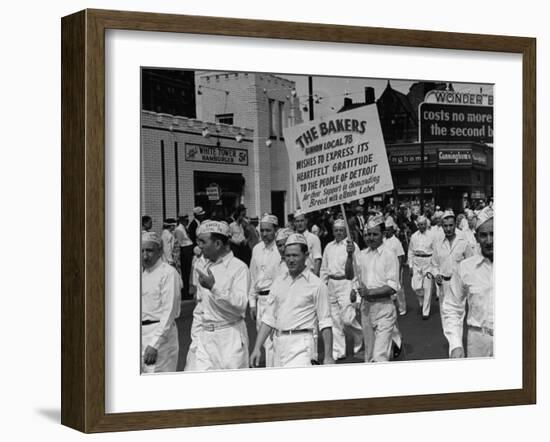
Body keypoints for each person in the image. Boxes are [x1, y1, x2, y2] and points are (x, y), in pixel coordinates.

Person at [250, 233, 334, 368]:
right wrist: (257, 348)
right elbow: (268, 318)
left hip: (303, 345)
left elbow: (325, 322)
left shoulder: (317, 285)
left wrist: (328, 356)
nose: (291, 260)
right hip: (279, 344)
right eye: (288, 256)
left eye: (295, 255)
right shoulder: (278, 282)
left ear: (306, 256)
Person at [185, 220, 250, 371]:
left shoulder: (239, 268)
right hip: (204, 340)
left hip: (230, 338)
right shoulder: (201, 266)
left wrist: (214, 287)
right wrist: (195, 342)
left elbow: (240, 304)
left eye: (203, 241)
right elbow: (200, 308)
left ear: (218, 244)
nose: (199, 246)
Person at [347, 215, 399, 362]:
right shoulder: (362, 255)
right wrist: (349, 256)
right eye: (368, 234)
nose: (370, 238)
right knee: (369, 355)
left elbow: (392, 287)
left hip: (384, 308)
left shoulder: (389, 255)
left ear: (382, 235)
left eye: (374, 234)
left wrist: (369, 292)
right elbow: (350, 275)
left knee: (379, 356)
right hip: (366, 310)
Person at [443, 207, 494, 358]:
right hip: (477, 341)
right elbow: (452, 307)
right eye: (484, 235)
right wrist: (455, 344)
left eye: (493, 234)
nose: (489, 240)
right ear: (476, 237)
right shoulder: (465, 268)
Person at [320, 219, 363, 360]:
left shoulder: (352, 246)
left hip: (346, 282)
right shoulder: (328, 247)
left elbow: (358, 269)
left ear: (346, 231)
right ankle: (339, 351)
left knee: (347, 319)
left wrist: (355, 289)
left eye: (341, 230)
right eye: (336, 230)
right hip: (331, 284)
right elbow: (324, 268)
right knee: (334, 320)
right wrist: (323, 285)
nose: (338, 232)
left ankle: (360, 335)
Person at [141, 231, 182, 373]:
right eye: (141, 251)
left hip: (160, 337)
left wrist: (155, 344)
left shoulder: (168, 273)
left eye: (149, 251)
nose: (145, 256)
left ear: (159, 251)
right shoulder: (142, 274)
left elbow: (169, 312)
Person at [431, 210, 474, 332]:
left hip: (459, 286)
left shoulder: (463, 242)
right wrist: (436, 274)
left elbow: (470, 263)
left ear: (455, 225)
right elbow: (434, 264)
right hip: (443, 285)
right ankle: (453, 345)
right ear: (442, 226)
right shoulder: (438, 244)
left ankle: (455, 346)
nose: (448, 228)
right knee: (445, 318)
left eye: (451, 225)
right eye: (445, 226)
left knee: (457, 319)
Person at [248, 214, 281, 367]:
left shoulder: (280, 250)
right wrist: (252, 303)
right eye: (262, 230)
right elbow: (253, 277)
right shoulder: (256, 249)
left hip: (274, 300)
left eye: (268, 230)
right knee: (264, 341)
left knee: (272, 342)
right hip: (260, 301)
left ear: (276, 230)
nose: (265, 234)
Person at [408, 215, 435, 319]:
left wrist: (434, 265)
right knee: (415, 286)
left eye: (423, 224)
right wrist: (410, 265)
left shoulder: (431, 236)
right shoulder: (414, 236)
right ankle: (421, 301)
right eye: (419, 225)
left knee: (427, 287)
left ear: (426, 224)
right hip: (416, 262)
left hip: (428, 262)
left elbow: (435, 250)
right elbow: (410, 251)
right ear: (417, 225)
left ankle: (425, 312)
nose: (421, 226)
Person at [294, 209, 322, 276]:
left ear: (306, 221)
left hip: (309, 274)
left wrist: (315, 279)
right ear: (294, 223)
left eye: (302, 221)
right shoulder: (292, 238)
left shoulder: (314, 238)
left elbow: (317, 259)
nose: (300, 223)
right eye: (297, 221)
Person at [175, 215, 193, 298]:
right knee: (185, 272)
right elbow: (180, 242)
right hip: (185, 251)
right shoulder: (179, 229)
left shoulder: (184, 228)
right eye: (186, 220)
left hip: (188, 250)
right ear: (182, 221)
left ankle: (187, 291)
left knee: (188, 272)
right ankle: (185, 293)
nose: (187, 221)